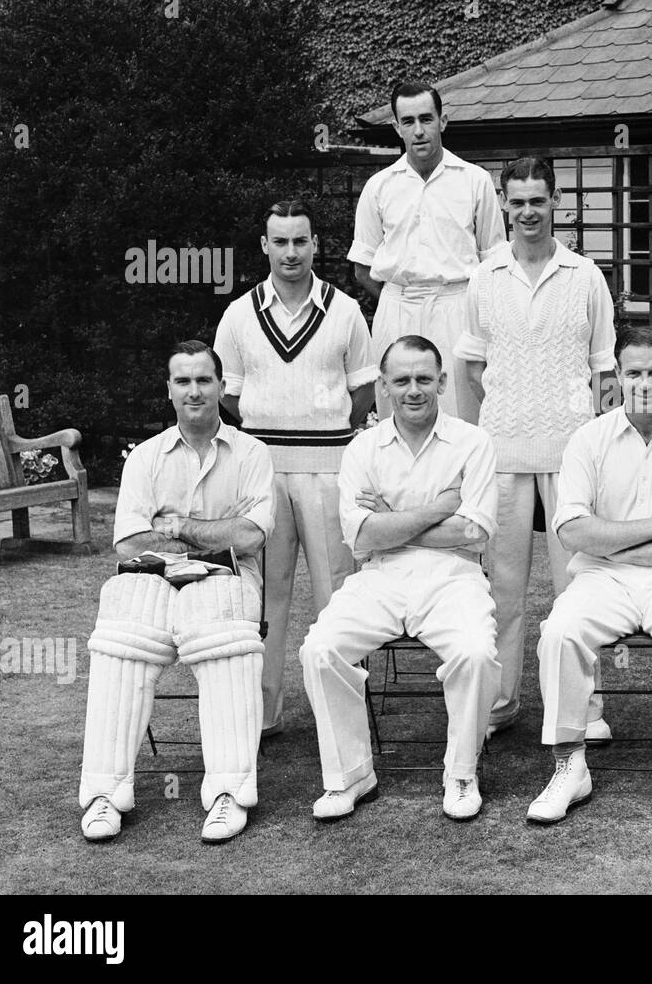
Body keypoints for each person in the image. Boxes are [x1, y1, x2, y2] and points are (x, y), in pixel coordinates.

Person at [528, 326, 652, 829]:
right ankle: (569, 766)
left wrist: (616, 539)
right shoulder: (588, 439)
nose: (645, 383)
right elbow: (573, 531)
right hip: (603, 579)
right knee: (559, 631)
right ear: (617, 376)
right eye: (634, 372)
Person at [78, 340, 274, 844]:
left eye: (203, 380)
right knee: (122, 625)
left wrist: (179, 525)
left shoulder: (252, 454)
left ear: (221, 387)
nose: (194, 391)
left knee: (222, 626)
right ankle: (105, 794)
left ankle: (229, 793)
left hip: (227, 576)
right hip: (154, 577)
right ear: (169, 390)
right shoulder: (146, 456)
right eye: (182, 381)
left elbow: (251, 535)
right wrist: (208, 532)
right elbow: (127, 541)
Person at [299, 336, 500, 822]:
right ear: (384, 387)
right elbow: (361, 536)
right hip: (380, 575)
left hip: (455, 576)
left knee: (476, 653)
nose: (414, 390)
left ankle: (461, 772)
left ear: (443, 382)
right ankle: (350, 776)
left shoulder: (475, 442)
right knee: (320, 649)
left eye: (424, 379)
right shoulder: (363, 447)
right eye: (402, 380)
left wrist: (393, 521)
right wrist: (439, 509)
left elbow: (473, 533)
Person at [454, 156, 617, 742]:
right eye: (517, 201)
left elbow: (604, 370)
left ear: (555, 203)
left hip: (570, 454)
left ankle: (581, 706)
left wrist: (587, 437)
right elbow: (472, 368)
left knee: (577, 589)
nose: (528, 212)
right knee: (501, 586)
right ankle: (499, 701)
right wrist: (497, 424)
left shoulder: (586, 275)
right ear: (504, 204)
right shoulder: (483, 277)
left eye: (538, 200)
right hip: (503, 454)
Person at [215, 200, 377, 737]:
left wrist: (323, 431)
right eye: (279, 241)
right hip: (263, 474)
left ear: (315, 244)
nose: (290, 252)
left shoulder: (346, 309)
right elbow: (230, 397)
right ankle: (262, 716)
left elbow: (363, 390)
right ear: (264, 245)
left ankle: (344, 714)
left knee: (338, 592)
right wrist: (272, 435)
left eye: (300, 241)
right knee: (265, 594)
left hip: (329, 468)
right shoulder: (239, 313)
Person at [348, 80, 506, 423]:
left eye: (426, 119)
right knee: (398, 411)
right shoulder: (379, 187)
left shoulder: (475, 181)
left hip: (458, 309)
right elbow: (363, 268)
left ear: (443, 121)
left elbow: (495, 265)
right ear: (396, 127)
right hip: (398, 308)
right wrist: (401, 299)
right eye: (408, 122)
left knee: (461, 414)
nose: (418, 131)